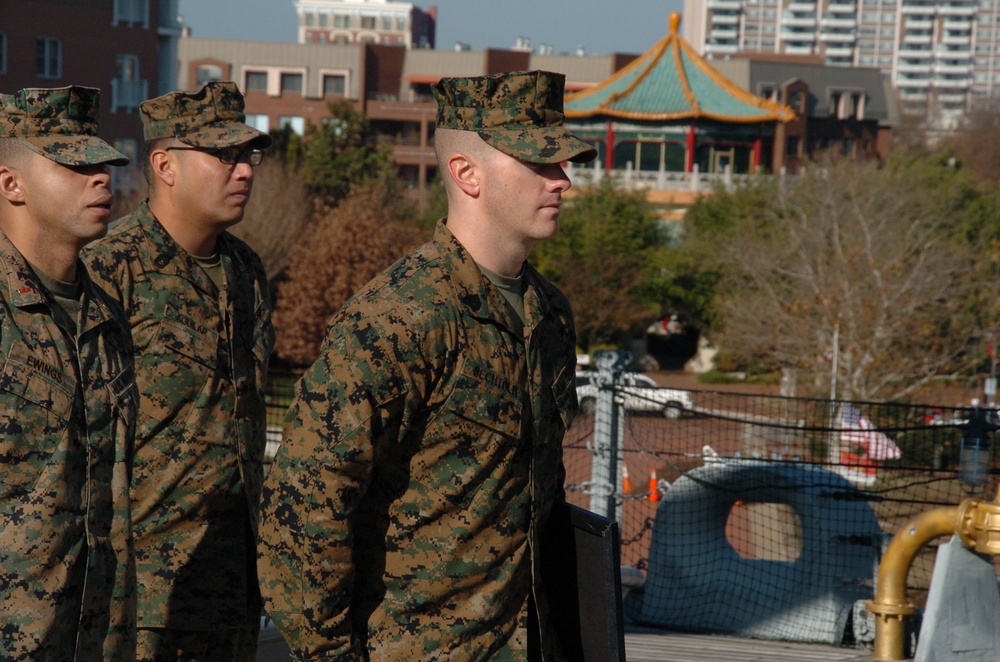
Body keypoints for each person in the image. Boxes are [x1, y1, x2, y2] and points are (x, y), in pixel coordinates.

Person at [258, 70, 598, 660]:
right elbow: (304, 505)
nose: (562, 181)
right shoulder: (398, 317)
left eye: (562, 163)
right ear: (466, 173)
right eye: (539, 164)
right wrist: (331, 654)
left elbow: (540, 493)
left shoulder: (549, 315)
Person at [83, 81, 275, 661]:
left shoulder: (246, 269)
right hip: (144, 598)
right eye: (223, 156)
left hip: (234, 586)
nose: (242, 171)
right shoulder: (107, 270)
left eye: (248, 155)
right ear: (164, 164)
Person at [0, 86, 138, 660]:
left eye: (102, 163)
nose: (101, 178)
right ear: (11, 184)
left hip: (92, 636)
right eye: (76, 164)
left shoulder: (106, 317)